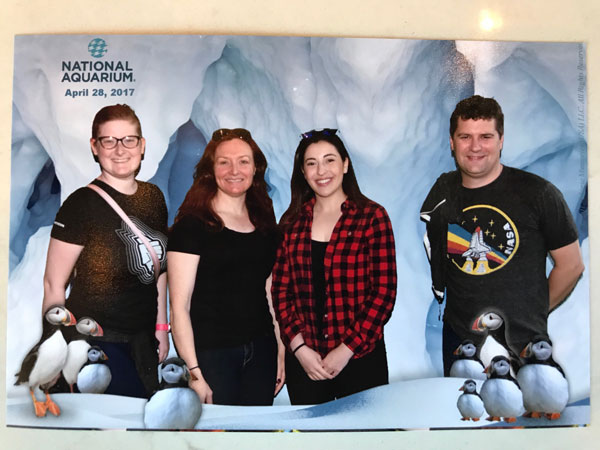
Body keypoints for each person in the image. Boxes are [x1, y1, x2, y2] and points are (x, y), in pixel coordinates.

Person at [420, 95, 584, 375]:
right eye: (465, 137)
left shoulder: (538, 193)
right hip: (460, 342)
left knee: (517, 415)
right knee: (464, 415)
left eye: (485, 136)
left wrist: (534, 312)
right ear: (451, 142)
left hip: (522, 346)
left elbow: (571, 265)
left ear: (501, 140)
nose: (475, 147)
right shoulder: (443, 193)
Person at [43, 104, 169, 398]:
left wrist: (161, 327)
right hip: (94, 345)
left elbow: (158, 268)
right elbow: (54, 284)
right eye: (108, 140)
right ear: (94, 147)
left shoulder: (153, 198)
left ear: (142, 145)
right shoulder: (80, 205)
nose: (119, 149)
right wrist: (52, 350)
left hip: (142, 344)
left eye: (129, 139)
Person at [271, 128, 397, 405]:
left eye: (329, 160)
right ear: (303, 172)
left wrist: (346, 349)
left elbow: (384, 293)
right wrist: (299, 348)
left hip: (361, 359)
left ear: (345, 164)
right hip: (306, 364)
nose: (321, 171)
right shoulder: (292, 223)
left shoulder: (372, 217)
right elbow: (281, 293)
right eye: (311, 163)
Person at [168, 128, 284, 405]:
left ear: (256, 168)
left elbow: (270, 293)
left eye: (243, 161)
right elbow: (179, 308)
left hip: (262, 352)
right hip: (211, 357)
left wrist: (280, 351)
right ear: (211, 168)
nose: (235, 170)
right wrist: (194, 373)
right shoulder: (191, 226)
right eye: (224, 161)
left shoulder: (265, 223)